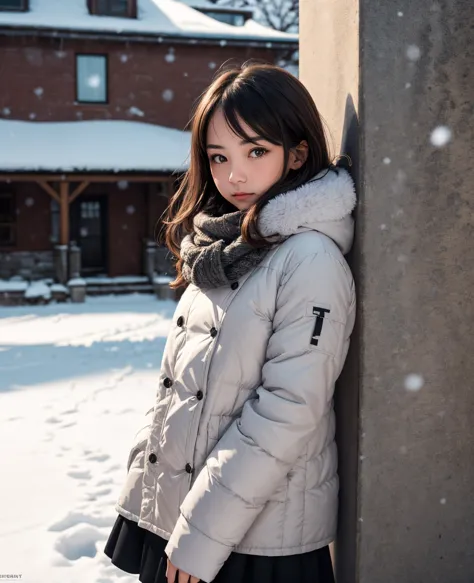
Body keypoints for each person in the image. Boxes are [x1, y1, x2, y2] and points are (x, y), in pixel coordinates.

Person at [104, 62, 357, 583]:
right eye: (219, 156)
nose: (234, 174)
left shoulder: (309, 258)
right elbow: (180, 391)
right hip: (184, 514)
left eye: (256, 151)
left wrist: (202, 533)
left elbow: (286, 411)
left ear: (298, 153)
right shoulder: (219, 251)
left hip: (254, 541)